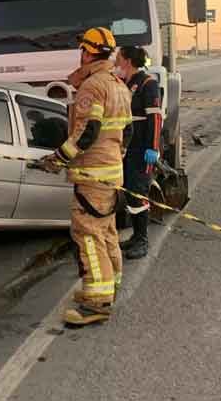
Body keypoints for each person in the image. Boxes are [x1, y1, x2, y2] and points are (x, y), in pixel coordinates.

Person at [40, 27, 133, 326]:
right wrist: (114, 159)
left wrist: (57, 159)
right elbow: (128, 131)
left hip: (92, 175)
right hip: (111, 174)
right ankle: (109, 286)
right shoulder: (118, 84)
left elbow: (86, 134)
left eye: (82, 49)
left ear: (89, 52)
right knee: (107, 232)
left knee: (89, 236)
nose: (80, 54)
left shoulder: (92, 86)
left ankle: (97, 303)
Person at [115, 46, 163, 260]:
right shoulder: (125, 83)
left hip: (142, 149)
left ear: (127, 60)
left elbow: (155, 118)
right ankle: (135, 236)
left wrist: (153, 147)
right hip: (127, 148)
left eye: (118, 57)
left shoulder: (147, 83)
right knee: (129, 192)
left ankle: (142, 240)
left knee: (138, 193)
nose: (116, 61)